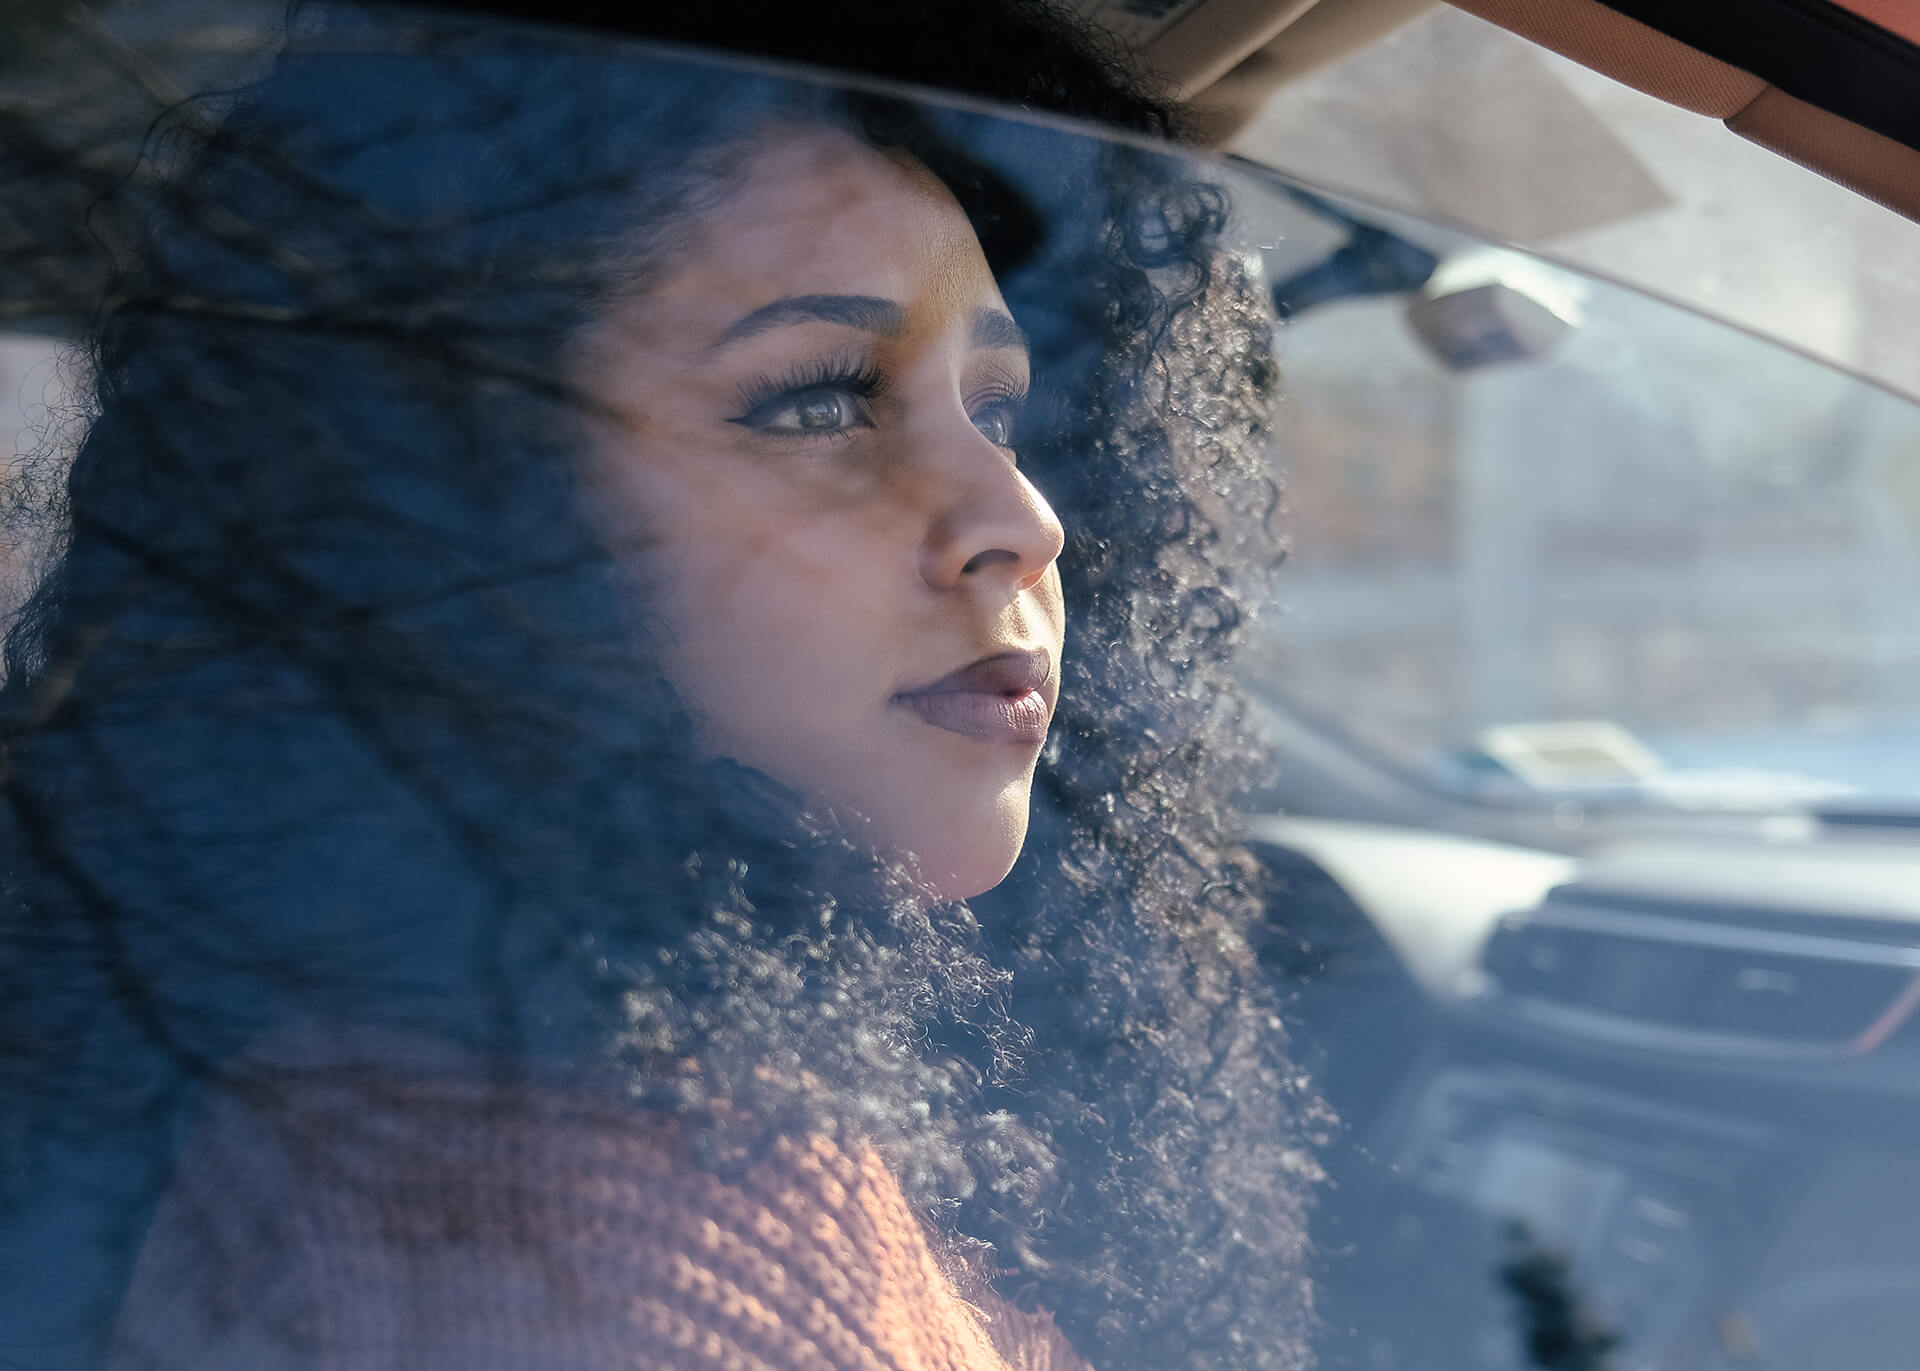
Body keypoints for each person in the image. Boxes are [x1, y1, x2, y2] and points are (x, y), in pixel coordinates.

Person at [0, 3, 1321, 1370]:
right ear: (462, 519)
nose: (1024, 518)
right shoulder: (581, 1243)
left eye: (993, 409)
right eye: (818, 402)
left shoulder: (479, 1097)